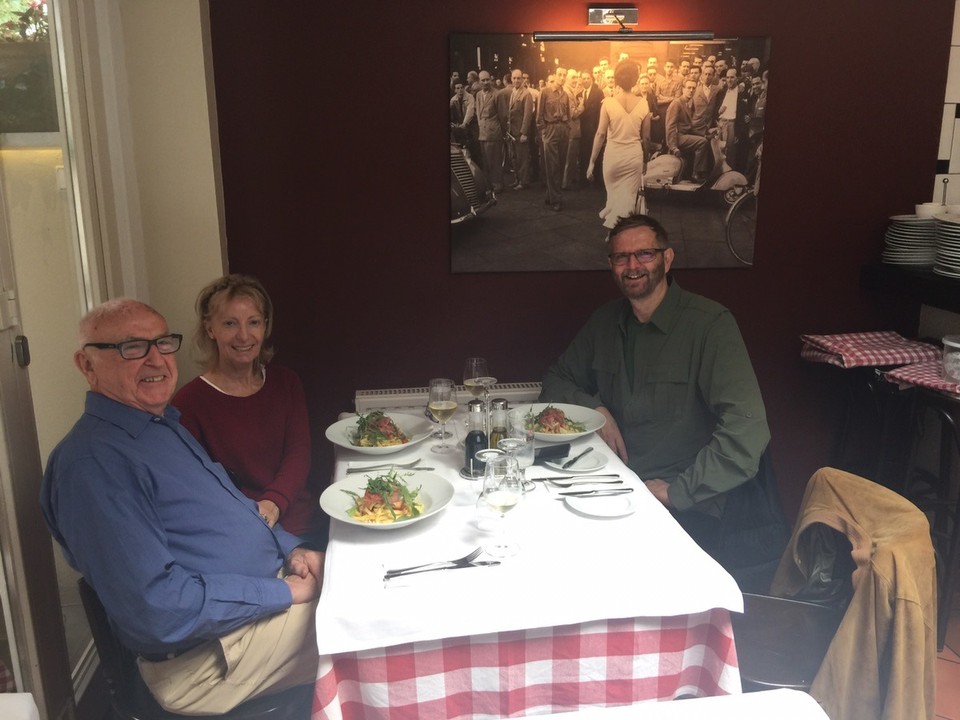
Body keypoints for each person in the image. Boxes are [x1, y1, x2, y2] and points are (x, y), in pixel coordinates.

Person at [40, 299, 323, 715]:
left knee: (378, 580)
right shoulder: (93, 465)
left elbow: (239, 511)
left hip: (252, 610)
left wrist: (292, 550)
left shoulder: (160, 424)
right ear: (87, 365)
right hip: (206, 662)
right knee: (374, 626)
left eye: (162, 343)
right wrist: (283, 591)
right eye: (131, 347)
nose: (156, 359)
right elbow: (159, 610)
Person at [539, 214, 774, 579]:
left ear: (667, 259)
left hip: (685, 505)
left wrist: (678, 492)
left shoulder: (710, 324)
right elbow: (556, 379)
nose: (633, 266)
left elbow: (749, 430)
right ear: (611, 266)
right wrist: (596, 409)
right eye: (621, 257)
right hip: (611, 487)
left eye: (644, 254)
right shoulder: (605, 322)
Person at [172, 274, 323, 545]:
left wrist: (274, 502)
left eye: (253, 322)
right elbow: (197, 490)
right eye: (230, 323)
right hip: (243, 536)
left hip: (301, 523)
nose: (244, 335)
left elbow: (299, 453)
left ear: (265, 326)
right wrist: (255, 517)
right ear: (210, 329)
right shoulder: (188, 403)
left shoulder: (286, 383)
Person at [588, 61, 649, 229]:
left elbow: (600, 134)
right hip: (634, 157)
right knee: (628, 199)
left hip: (612, 157)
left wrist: (592, 162)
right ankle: (617, 231)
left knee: (614, 196)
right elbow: (647, 137)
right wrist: (646, 161)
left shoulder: (608, 103)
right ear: (636, 80)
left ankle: (614, 229)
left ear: (616, 79)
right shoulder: (643, 103)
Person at [536, 67, 571, 211]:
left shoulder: (565, 94)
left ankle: (550, 195)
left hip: (563, 130)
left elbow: (568, 113)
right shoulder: (544, 92)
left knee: (561, 164)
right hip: (550, 129)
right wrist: (544, 132)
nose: (562, 78)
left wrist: (567, 128)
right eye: (560, 75)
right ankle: (556, 199)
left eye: (564, 75)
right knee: (552, 166)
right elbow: (539, 116)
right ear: (555, 76)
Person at [666, 79, 710, 183]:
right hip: (678, 137)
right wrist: (673, 147)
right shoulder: (677, 103)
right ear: (683, 89)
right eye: (688, 88)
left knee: (704, 139)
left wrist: (705, 134)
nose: (691, 90)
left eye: (693, 88)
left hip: (684, 135)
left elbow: (690, 126)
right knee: (702, 143)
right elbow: (670, 126)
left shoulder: (688, 103)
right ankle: (696, 173)